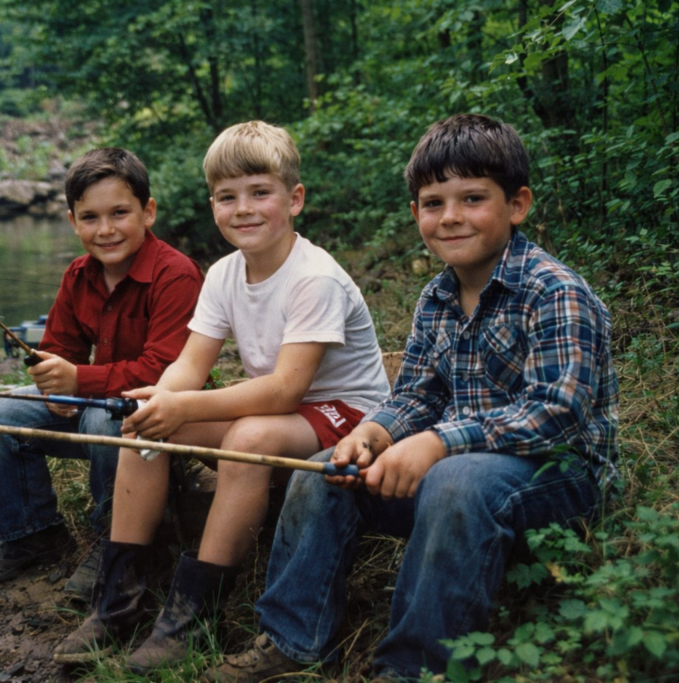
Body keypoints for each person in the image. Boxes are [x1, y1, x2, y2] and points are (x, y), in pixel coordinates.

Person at [203, 113, 620, 682]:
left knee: (456, 480)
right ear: (415, 213)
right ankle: (292, 641)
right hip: (461, 468)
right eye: (432, 203)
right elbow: (418, 396)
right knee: (325, 470)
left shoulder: (554, 291)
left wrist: (437, 443)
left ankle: (412, 669)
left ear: (517, 204)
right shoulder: (437, 297)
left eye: (472, 198)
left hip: (559, 476)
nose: (450, 217)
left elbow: (558, 413)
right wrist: (373, 434)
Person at [51, 121, 390, 670]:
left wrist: (184, 405)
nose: (244, 209)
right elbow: (188, 367)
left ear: (294, 198)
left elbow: (285, 388)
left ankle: (192, 615)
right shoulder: (225, 273)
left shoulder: (314, 277)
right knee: (145, 424)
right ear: (213, 206)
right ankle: (119, 600)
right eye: (227, 197)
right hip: (284, 411)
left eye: (260, 193)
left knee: (248, 435)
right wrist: (158, 401)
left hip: (347, 413)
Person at [0, 148, 204, 602]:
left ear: (147, 212)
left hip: (163, 415)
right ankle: (30, 533)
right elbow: (59, 350)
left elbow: (162, 369)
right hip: (97, 402)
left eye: (119, 213)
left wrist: (80, 383)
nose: (106, 230)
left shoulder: (177, 275)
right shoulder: (78, 275)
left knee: (101, 419)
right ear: (73, 222)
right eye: (90, 217)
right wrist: (53, 383)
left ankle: (116, 542)